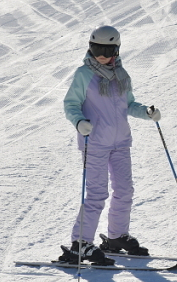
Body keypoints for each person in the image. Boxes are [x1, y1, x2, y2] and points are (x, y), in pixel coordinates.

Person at [60, 26, 161, 265]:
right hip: (94, 142)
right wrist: (79, 122)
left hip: (120, 142)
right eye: (96, 49)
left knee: (125, 191)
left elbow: (129, 105)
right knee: (97, 194)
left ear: (116, 50)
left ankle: (116, 236)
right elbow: (71, 104)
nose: (101, 55)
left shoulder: (121, 74)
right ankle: (80, 244)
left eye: (107, 50)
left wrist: (146, 112)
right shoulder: (84, 74)